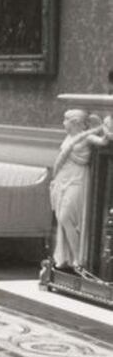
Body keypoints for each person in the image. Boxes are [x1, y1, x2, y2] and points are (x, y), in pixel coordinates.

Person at [50, 109, 105, 269]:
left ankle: (79, 258)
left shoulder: (87, 137)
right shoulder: (69, 137)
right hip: (63, 179)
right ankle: (69, 258)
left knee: (66, 217)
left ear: (75, 122)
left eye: (66, 120)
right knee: (61, 218)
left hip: (77, 179)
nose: (63, 123)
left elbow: (103, 142)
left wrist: (105, 127)